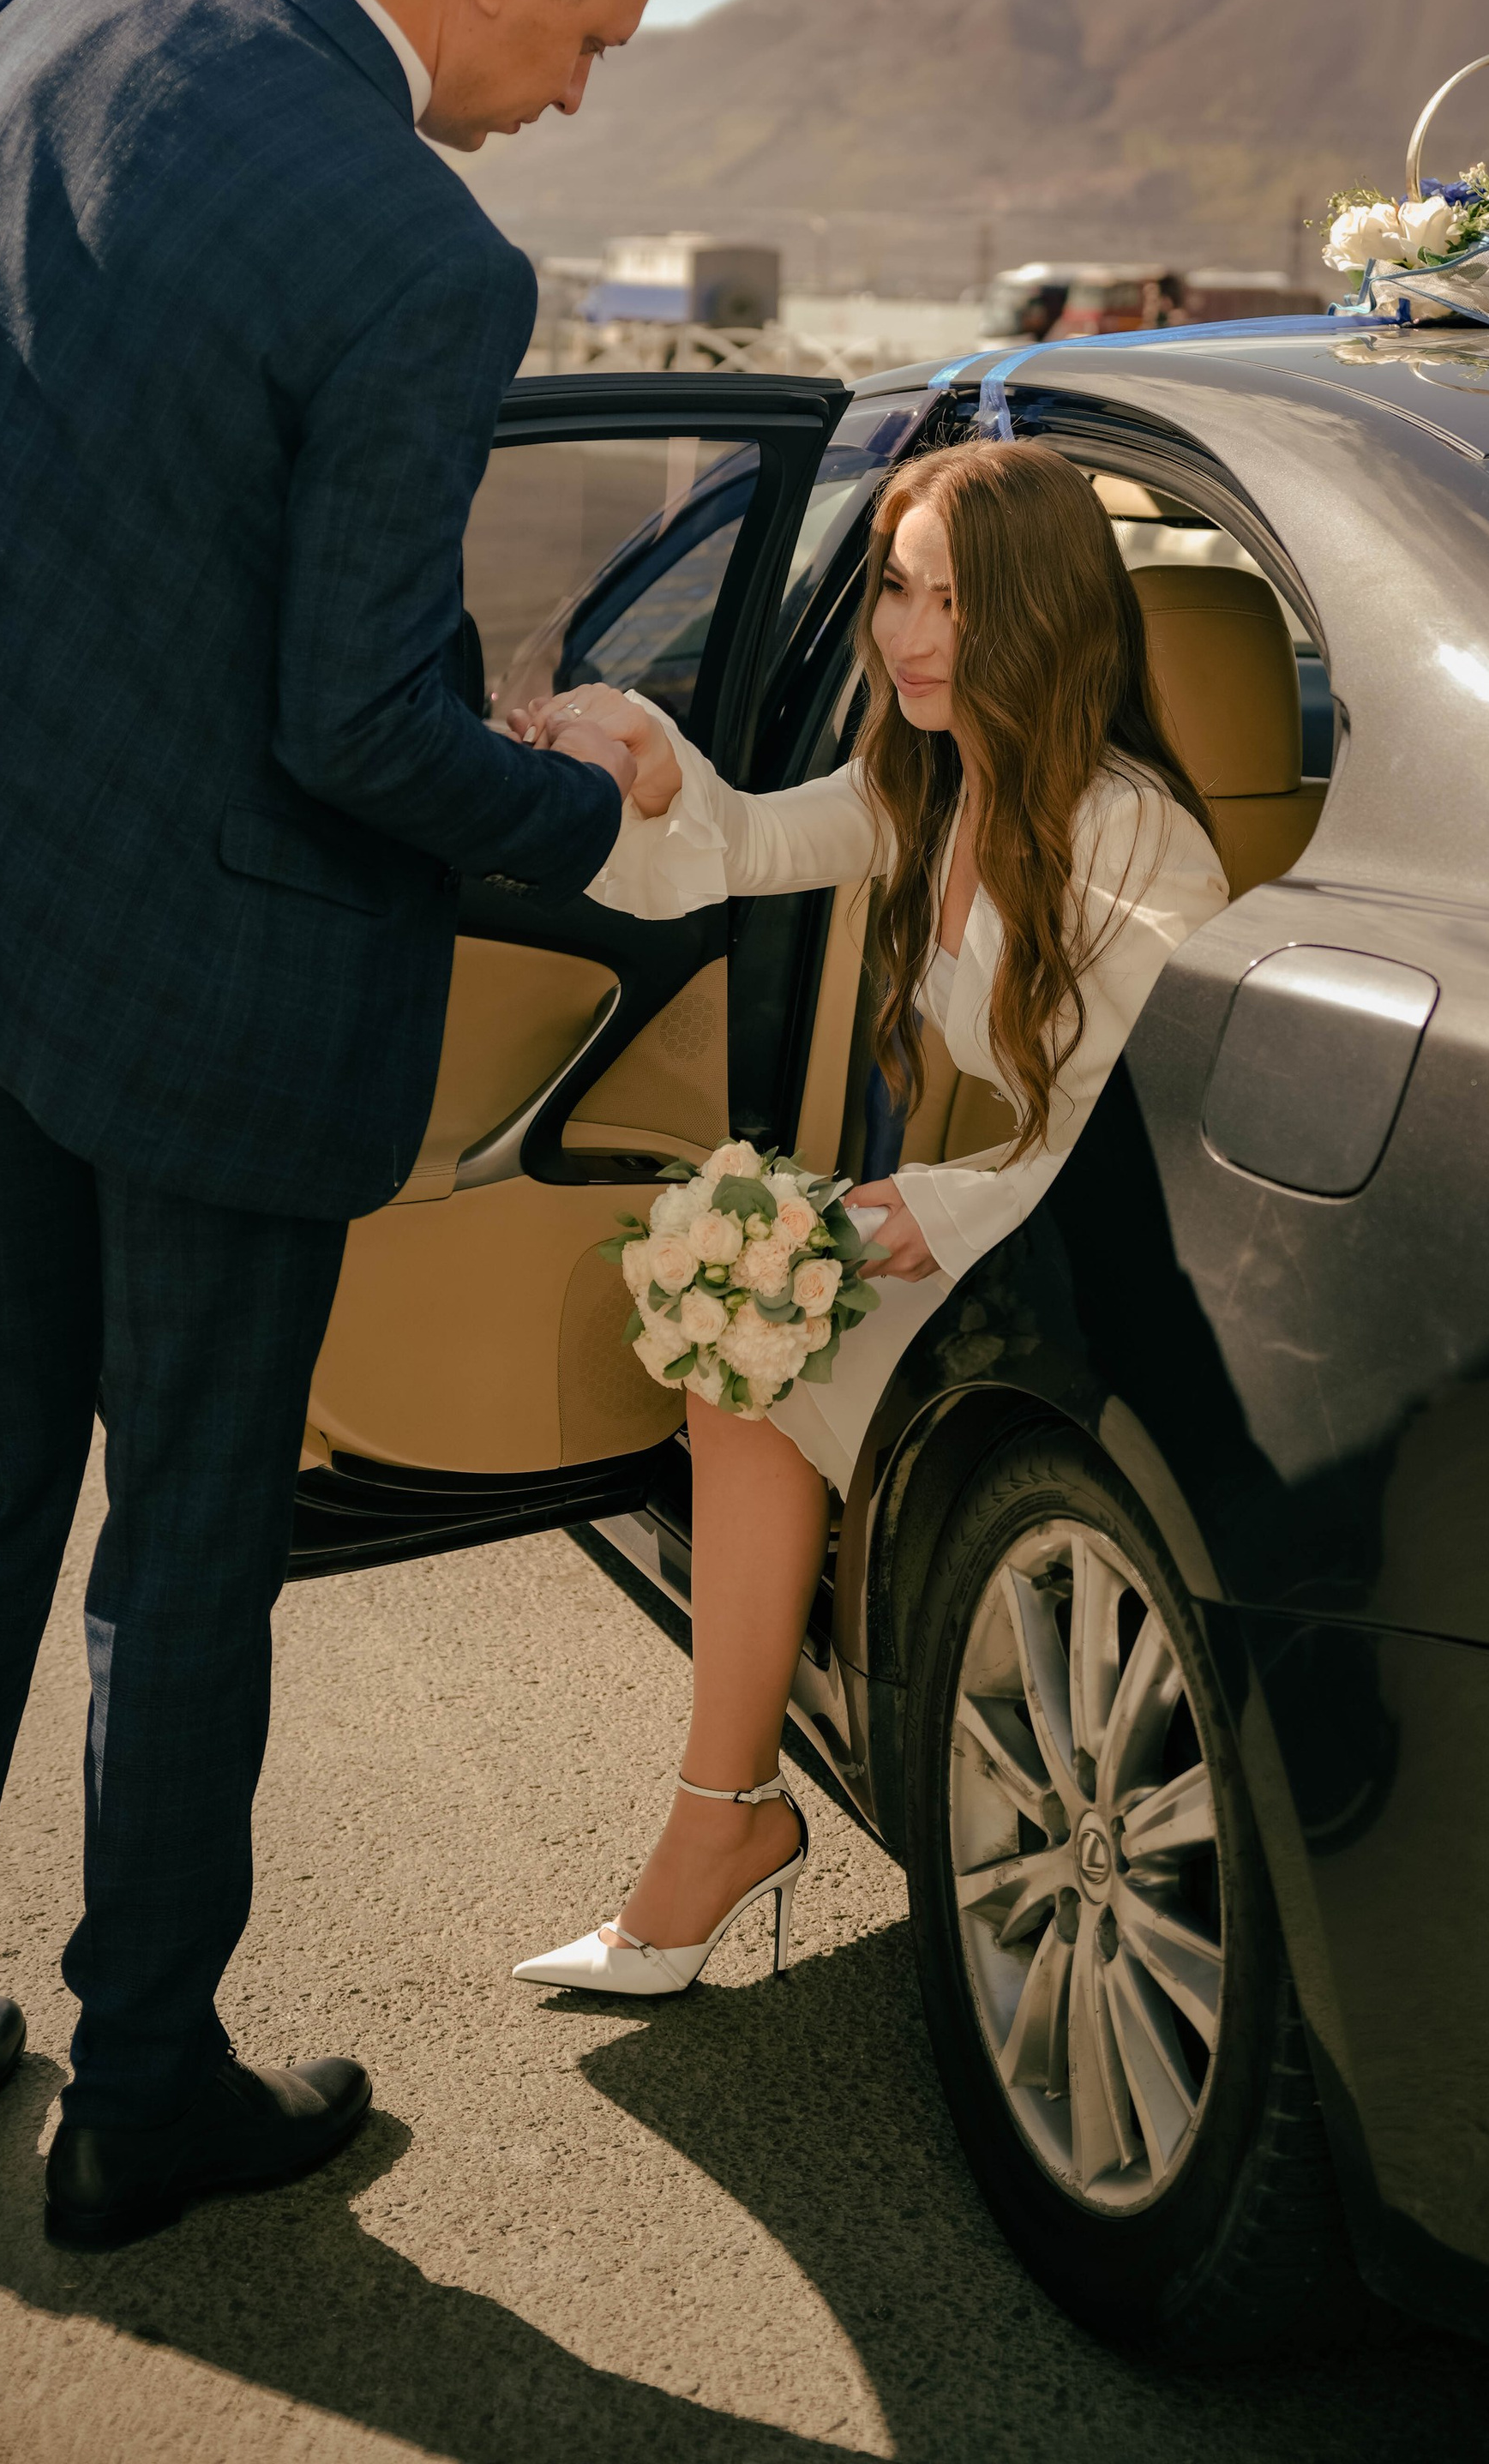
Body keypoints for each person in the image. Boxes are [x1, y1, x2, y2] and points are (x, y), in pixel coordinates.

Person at [0, 0, 666, 2245]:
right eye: (591, 38)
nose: (575, 95)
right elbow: (360, 736)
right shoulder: (424, 255)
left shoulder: (52, 21)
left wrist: (77, 592)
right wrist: (601, 810)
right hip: (204, 973)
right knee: (186, 1538)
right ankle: (141, 2093)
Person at [507, 439, 1228, 1995]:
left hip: (1128, 1272)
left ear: (1038, 614)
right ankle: (726, 1813)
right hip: (1015, 1241)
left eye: (954, 603)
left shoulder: (1133, 838)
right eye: (897, 591)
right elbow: (754, 846)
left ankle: (725, 1826)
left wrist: (937, 1203)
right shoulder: (936, 778)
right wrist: (645, 756)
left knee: (753, 1342)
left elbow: (1166, 1137)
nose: (908, 635)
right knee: (739, 1343)